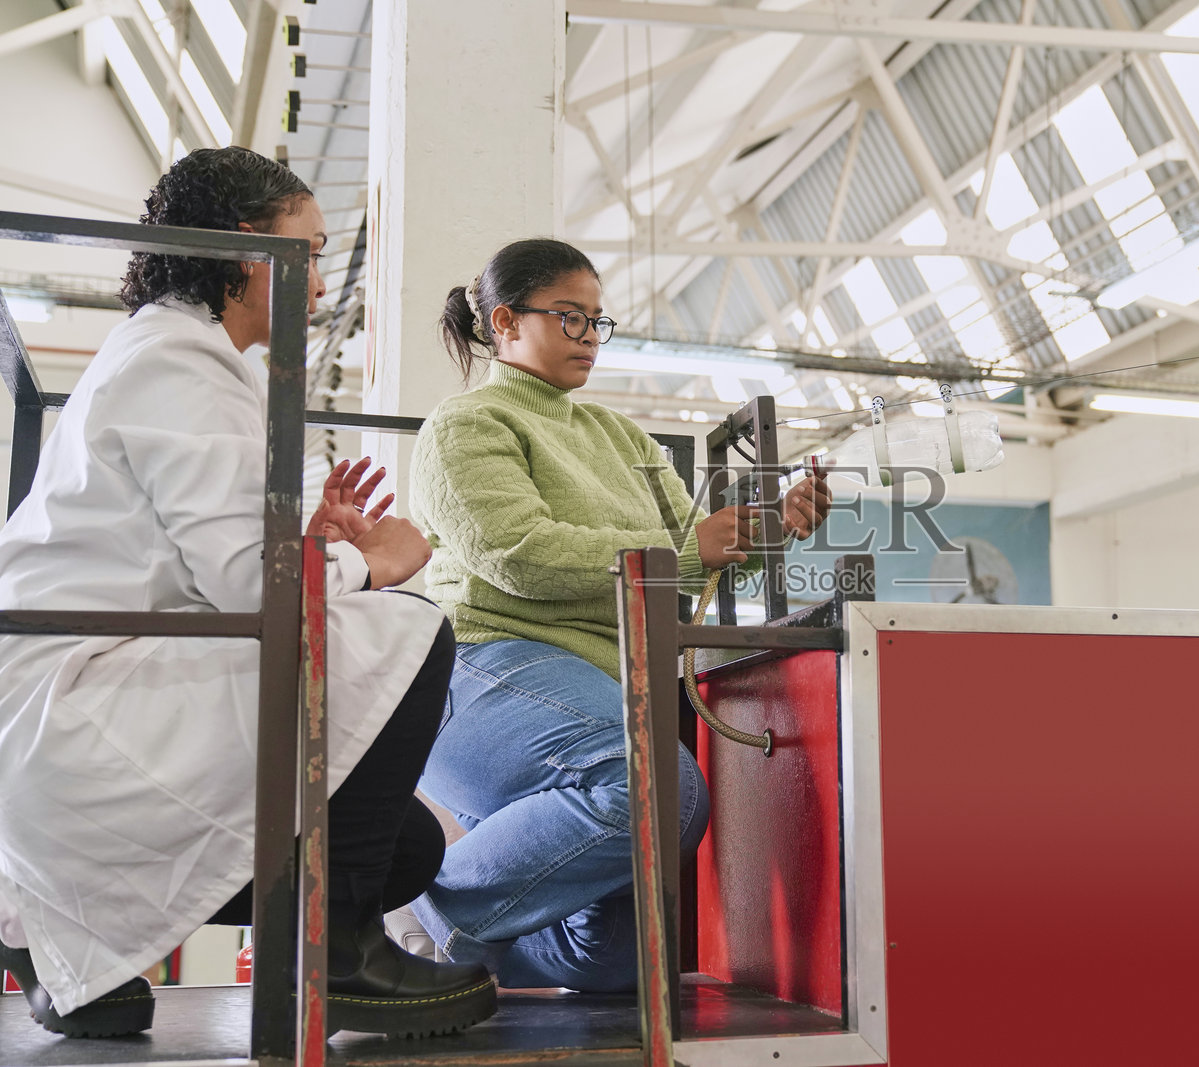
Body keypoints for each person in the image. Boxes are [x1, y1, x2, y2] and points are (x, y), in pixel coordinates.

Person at [0, 147, 495, 1040]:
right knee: (411, 628)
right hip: (71, 706)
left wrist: (309, 545)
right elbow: (242, 585)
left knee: (408, 848)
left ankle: (43, 928)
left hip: (76, 692)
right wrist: (371, 563)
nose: (315, 281)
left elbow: (202, 566)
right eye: (304, 250)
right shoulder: (180, 362)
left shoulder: (171, 353)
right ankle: (338, 958)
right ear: (243, 251)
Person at [406, 238, 831, 991]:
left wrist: (774, 525)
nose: (588, 338)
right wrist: (683, 546)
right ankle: (433, 906)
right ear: (504, 321)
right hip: (487, 665)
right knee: (654, 784)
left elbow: (695, 551)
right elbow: (519, 554)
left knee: (616, 961)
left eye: (598, 322)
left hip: (600, 684)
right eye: (570, 317)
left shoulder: (621, 437)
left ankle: (474, 947)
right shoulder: (466, 425)